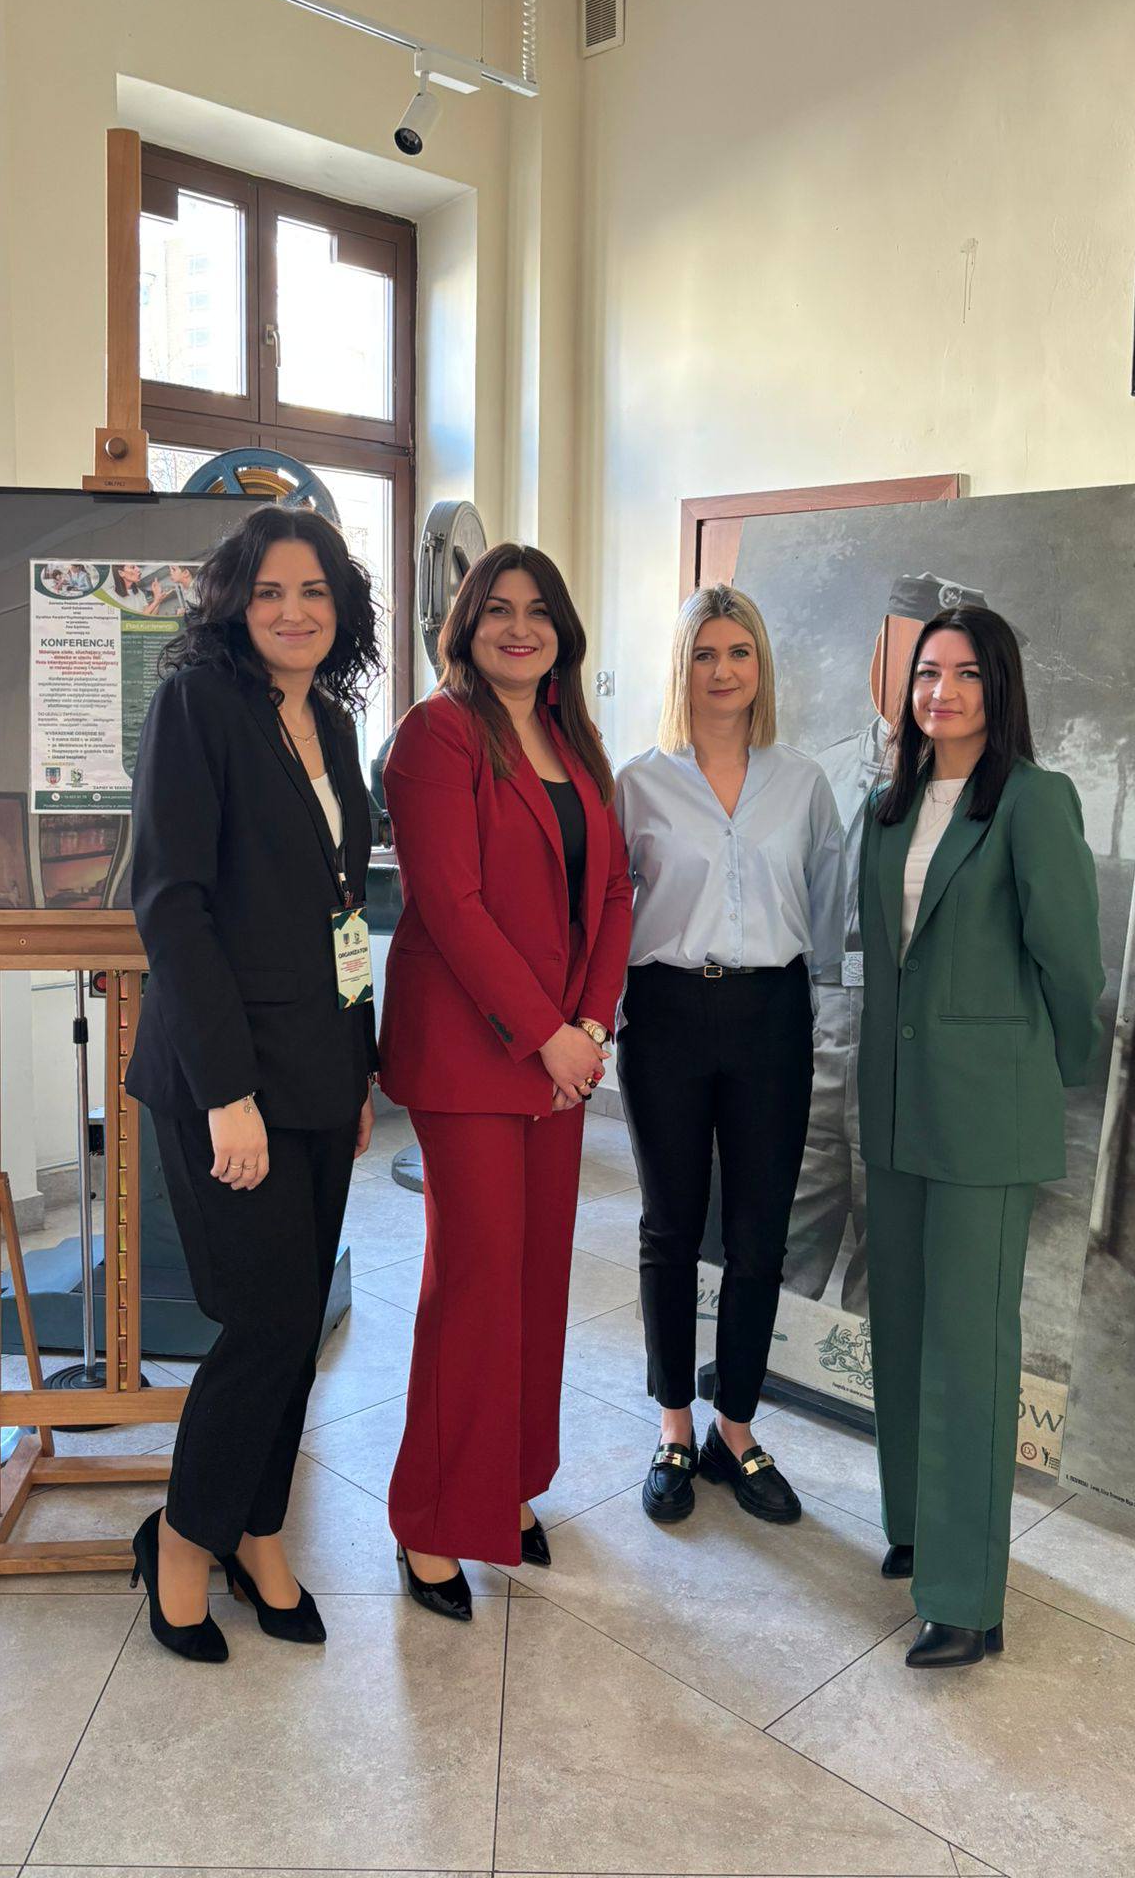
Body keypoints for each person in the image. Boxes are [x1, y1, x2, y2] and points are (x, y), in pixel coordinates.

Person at [124, 500, 381, 1663]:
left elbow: (342, 912)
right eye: (271, 589)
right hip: (223, 1077)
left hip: (322, 1071)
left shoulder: (333, 721)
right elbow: (172, 903)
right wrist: (228, 1090)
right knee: (266, 1322)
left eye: (314, 590)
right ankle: (183, 1538)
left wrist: (359, 1071)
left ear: (341, 609)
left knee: (299, 1323)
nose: (293, 610)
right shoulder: (197, 705)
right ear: (235, 601)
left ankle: (259, 1532)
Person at [379, 541, 632, 1621]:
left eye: (538, 611)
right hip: (470, 1056)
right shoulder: (435, 735)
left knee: (535, 1282)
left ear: (562, 631)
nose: (519, 628)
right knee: (475, 1286)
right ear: (466, 624)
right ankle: (433, 1518)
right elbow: (451, 904)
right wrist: (545, 1034)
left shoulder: (574, 739)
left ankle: (507, 1483)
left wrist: (590, 1024)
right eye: (497, 609)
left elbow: (613, 889)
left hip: (558, 1057)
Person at [858, 604, 1103, 1668]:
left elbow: (1073, 963)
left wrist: (1046, 1073)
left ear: (999, 687)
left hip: (985, 1111)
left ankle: (966, 1597)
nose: (942, 691)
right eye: (927, 672)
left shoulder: (1035, 800)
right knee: (903, 1323)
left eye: (964, 673)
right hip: (897, 1102)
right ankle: (919, 1526)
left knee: (969, 1344)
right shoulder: (887, 806)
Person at [615, 584, 845, 1526]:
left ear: (761, 667)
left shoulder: (804, 784)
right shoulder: (639, 783)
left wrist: (820, 1006)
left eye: (739, 653)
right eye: (705, 653)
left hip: (771, 1014)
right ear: (683, 667)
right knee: (671, 1227)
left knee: (760, 1234)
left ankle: (735, 1427)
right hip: (666, 1011)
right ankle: (674, 1426)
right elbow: (606, 911)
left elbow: (827, 907)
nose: (723, 671)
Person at [788, 571, 991, 1314]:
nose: (925, 683)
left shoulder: (991, 794)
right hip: (821, 1023)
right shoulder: (824, 771)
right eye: (909, 658)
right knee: (792, 1213)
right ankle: (769, 1358)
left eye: (954, 669)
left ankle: (872, 1367)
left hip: (919, 1034)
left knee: (895, 1231)